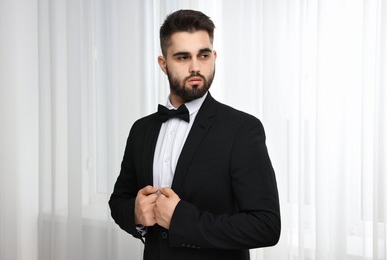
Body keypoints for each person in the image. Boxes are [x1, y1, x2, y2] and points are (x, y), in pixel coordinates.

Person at [109, 9, 280, 260]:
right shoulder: (141, 130)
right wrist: (135, 214)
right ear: (163, 63)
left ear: (214, 56)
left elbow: (266, 225)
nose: (195, 67)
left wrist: (181, 220)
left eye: (203, 55)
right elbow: (119, 201)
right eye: (182, 57)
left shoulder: (243, 129)